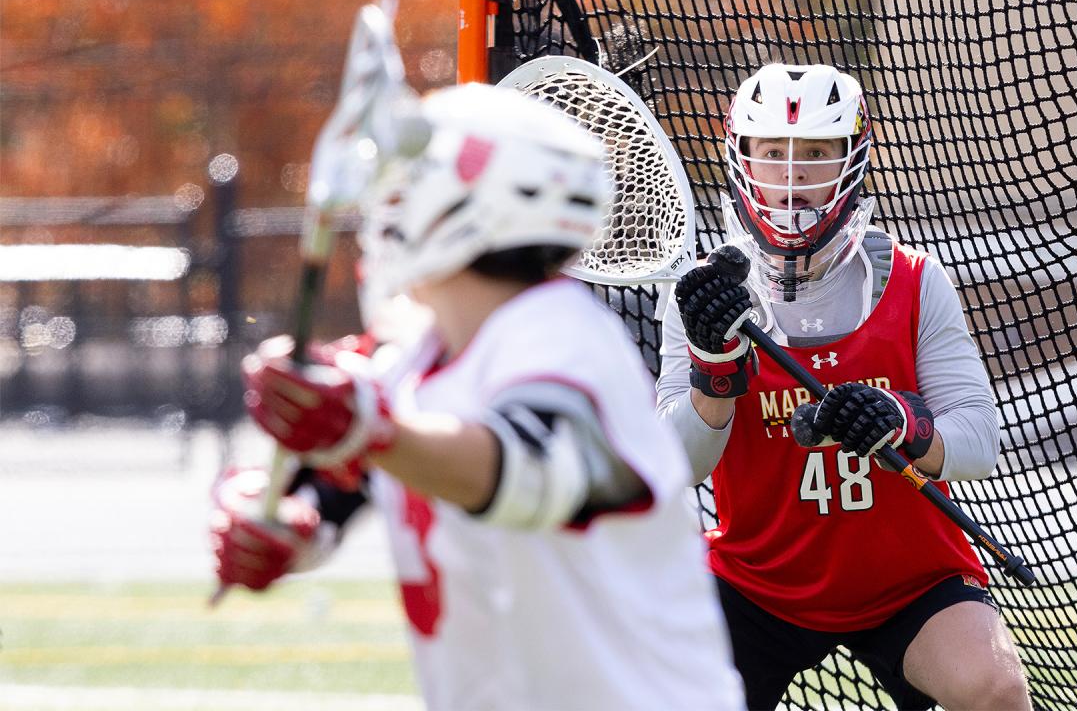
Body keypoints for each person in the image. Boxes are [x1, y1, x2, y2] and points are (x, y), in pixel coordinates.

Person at [211, 83, 745, 710]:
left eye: (407, 185)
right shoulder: (417, 357)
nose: (385, 209)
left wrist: (365, 428)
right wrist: (278, 517)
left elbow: (521, 470)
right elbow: (339, 478)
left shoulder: (564, 337)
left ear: (464, 204)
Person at [658, 63, 1031, 710]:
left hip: (912, 582)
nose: (794, 176)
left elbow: (980, 440)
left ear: (854, 158)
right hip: (758, 582)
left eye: (817, 153)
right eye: (773, 152)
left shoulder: (914, 280)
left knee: (994, 687)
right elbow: (676, 464)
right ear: (741, 158)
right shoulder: (703, 297)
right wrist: (713, 374)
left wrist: (903, 425)